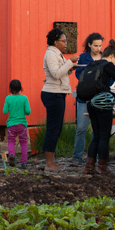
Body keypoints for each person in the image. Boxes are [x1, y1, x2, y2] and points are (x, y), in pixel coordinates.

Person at [79, 41, 115, 174]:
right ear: (113, 56)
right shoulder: (108, 65)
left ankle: (89, 167)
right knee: (104, 136)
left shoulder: (93, 64)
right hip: (103, 103)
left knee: (96, 135)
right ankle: (102, 168)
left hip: (90, 103)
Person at [41, 28, 78, 172]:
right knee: (53, 129)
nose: (66, 43)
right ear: (55, 42)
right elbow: (56, 74)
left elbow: (61, 71)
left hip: (58, 93)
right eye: (63, 41)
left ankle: (52, 162)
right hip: (52, 93)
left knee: (56, 129)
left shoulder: (56, 53)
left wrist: (70, 68)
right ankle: (49, 164)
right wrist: (70, 62)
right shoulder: (51, 53)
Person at [71, 33, 103, 167]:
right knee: (81, 128)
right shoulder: (83, 57)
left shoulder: (103, 57)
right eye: (95, 45)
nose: (98, 48)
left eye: (100, 45)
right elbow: (78, 74)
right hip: (84, 97)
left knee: (99, 129)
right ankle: (77, 156)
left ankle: (95, 157)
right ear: (89, 44)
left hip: (99, 97)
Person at [3, 79, 31, 169]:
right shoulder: (24, 98)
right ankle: (24, 162)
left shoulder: (8, 98)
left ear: (10, 88)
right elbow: (28, 111)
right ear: (20, 88)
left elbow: (4, 111)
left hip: (11, 124)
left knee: (11, 141)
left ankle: (11, 154)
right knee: (23, 143)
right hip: (22, 124)